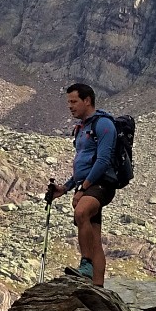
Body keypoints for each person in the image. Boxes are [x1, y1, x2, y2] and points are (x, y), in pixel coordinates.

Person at [48, 82, 117, 286]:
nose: (70, 106)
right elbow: (83, 163)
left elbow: (103, 161)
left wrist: (83, 189)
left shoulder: (104, 125)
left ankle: (85, 265)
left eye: (74, 101)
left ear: (87, 100)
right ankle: (97, 286)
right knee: (94, 238)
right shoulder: (82, 128)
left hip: (102, 183)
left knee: (81, 212)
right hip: (89, 183)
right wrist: (66, 188)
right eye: (68, 102)